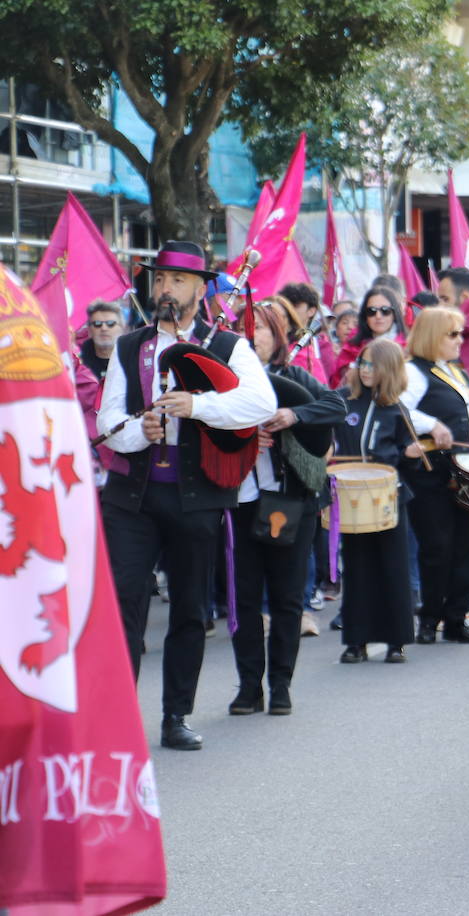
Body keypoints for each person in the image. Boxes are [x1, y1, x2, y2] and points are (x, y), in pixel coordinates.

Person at [97, 240, 277, 750]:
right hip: (131, 497)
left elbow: (259, 401)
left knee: (191, 609)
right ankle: (117, 716)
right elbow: (108, 418)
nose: (166, 289)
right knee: (125, 604)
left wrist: (197, 406)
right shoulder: (131, 346)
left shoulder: (226, 346)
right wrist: (139, 432)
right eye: (160, 280)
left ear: (202, 288)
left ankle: (176, 714)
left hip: (197, 497)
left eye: (177, 280)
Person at [228, 303, 344, 714]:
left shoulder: (295, 378)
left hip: (291, 503)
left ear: (277, 335)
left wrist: (293, 414)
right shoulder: (221, 384)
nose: (251, 334)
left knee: (287, 599)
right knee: (242, 601)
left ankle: (281, 685)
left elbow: (336, 408)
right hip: (239, 505)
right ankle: (248, 687)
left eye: (260, 327)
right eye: (243, 327)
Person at [400, 306, 469, 645]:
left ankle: (456, 618)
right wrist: (431, 425)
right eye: (453, 334)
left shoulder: (456, 372)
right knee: (437, 546)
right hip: (430, 471)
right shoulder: (412, 370)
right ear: (433, 335)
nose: (459, 340)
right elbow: (396, 404)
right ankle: (429, 617)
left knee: (467, 544)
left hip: (466, 467)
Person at [332, 339, 416, 662]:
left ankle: (397, 641)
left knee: (394, 567)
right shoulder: (343, 401)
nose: (366, 370)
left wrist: (408, 453)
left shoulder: (396, 409)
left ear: (389, 370)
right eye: (362, 363)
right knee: (358, 568)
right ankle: (356, 641)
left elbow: (407, 452)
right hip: (351, 497)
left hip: (387, 498)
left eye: (373, 365)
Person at [330, 286, 406, 388]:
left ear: (394, 313)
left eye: (385, 310)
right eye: (372, 311)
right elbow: (337, 383)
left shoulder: (406, 348)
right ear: (365, 316)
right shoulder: (352, 344)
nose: (378, 316)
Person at [278, 282, 334, 385]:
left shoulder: (321, 345)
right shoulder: (272, 339)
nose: (289, 310)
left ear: (311, 311)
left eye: (295, 306)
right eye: (286, 305)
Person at [80, 300, 124, 381]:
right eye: (97, 324)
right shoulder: (79, 364)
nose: (104, 328)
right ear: (89, 330)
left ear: (121, 328)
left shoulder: (133, 358)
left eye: (110, 323)